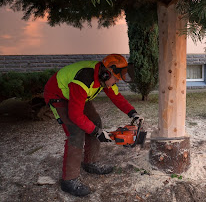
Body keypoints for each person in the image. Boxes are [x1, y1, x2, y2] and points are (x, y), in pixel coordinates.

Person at [44, 54, 143, 197]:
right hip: (59, 95)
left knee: (95, 121)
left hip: (77, 95)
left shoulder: (104, 77)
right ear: (106, 73)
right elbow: (75, 115)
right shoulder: (84, 79)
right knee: (76, 132)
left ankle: (91, 162)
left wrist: (132, 113)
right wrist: (97, 132)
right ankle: (69, 180)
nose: (116, 82)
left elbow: (116, 96)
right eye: (115, 79)